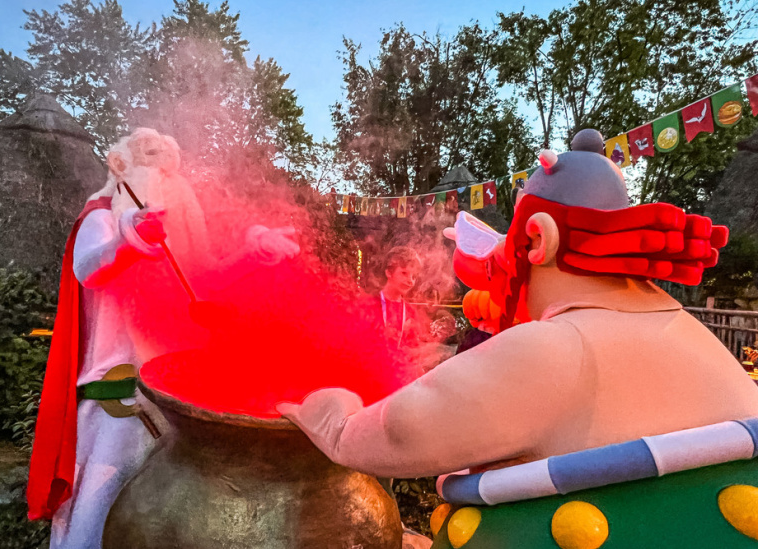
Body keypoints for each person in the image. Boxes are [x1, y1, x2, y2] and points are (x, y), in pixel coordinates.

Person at [278, 129, 758, 546]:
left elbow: (402, 429)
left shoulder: (560, 346)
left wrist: (334, 422)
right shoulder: (696, 337)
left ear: (538, 238)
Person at [27, 128, 298, 549]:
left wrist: (252, 252)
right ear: (121, 165)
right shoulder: (102, 217)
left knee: (162, 509)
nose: (168, 173)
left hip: (168, 395)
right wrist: (130, 236)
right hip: (115, 398)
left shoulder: (170, 231)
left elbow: (202, 279)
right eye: (153, 159)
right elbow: (90, 266)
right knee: (101, 502)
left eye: (172, 165)